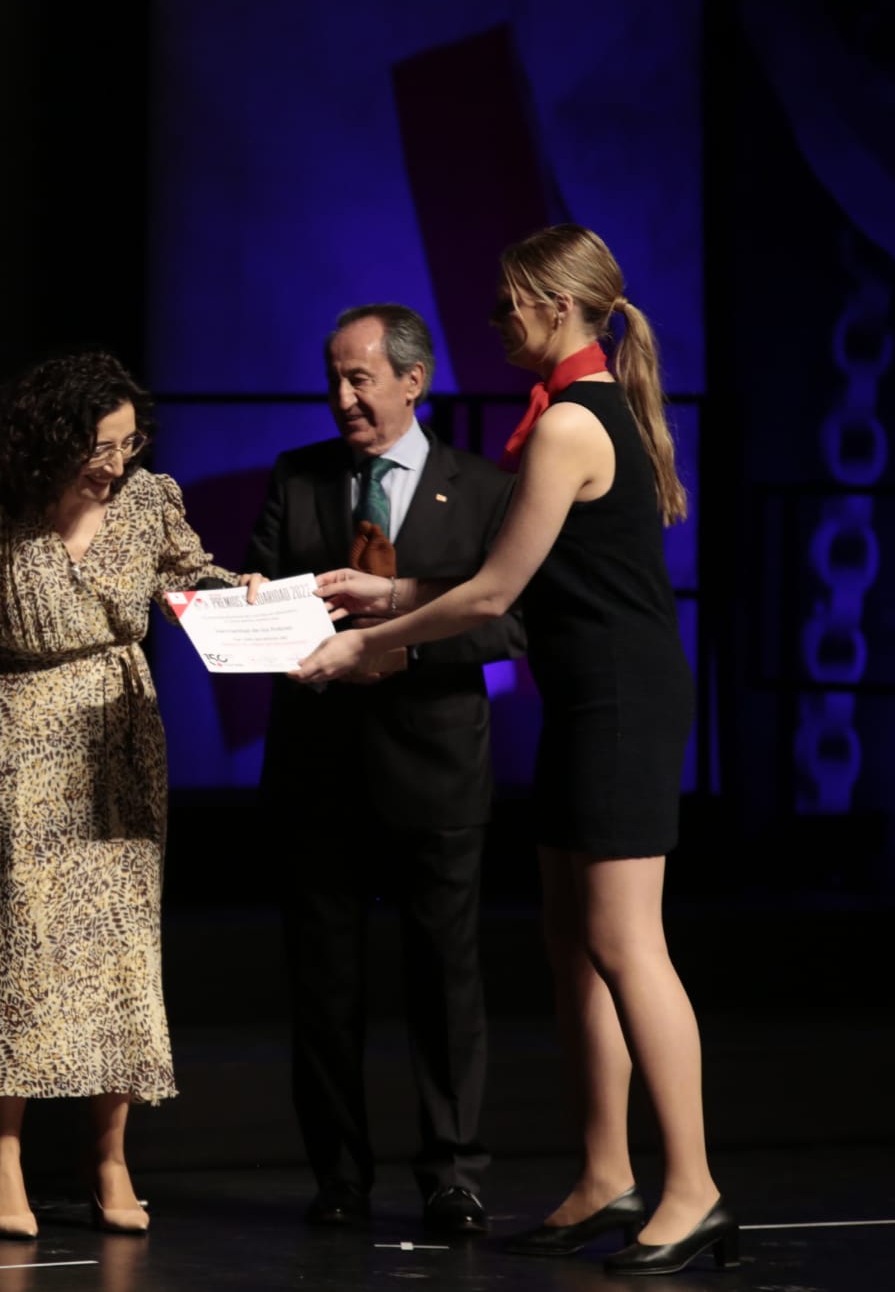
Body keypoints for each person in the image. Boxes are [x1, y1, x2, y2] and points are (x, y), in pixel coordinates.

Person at [296, 226, 735, 1276]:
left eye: (506, 306)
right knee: (565, 940)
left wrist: (369, 641)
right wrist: (387, 590)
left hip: (621, 702)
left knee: (625, 943)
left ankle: (692, 1187)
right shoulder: (574, 415)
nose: (494, 324)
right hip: (585, 697)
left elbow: (493, 593)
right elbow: (518, 574)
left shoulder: (570, 426)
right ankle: (603, 1173)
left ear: (554, 306)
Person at [0, 351, 264, 1239]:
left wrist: (248, 594)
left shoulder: (149, 501)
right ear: (51, 441)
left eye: (129, 441)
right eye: (101, 446)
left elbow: (193, 581)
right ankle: (1, 1156)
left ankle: (108, 1154)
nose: (117, 462)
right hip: (18, 738)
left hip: (117, 735)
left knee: (116, 947)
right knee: (14, 944)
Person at [243, 304, 525, 1237]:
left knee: (444, 982)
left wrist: (395, 650)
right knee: (325, 989)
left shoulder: (483, 490)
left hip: (435, 771)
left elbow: (507, 624)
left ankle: (453, 1171)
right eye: (334, 377)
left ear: (414, 379)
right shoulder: (300, 476)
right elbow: (265, 588)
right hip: (319, 772)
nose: (343, 396)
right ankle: (338, 1175)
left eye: (360, 377)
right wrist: (247, 608)